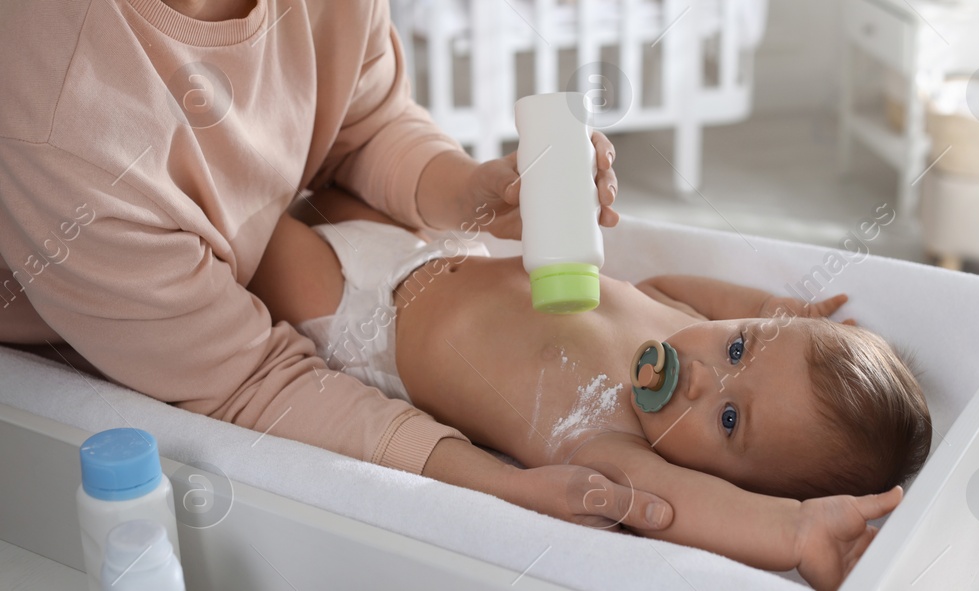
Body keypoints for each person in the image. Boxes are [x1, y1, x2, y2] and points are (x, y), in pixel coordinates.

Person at [0, 0, 665, 531]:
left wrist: (474, 195)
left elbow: (365, 121)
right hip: (112, 312)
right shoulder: (64, 121)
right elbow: (248, 378)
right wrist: (493, 484)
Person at [247, 188, 932, 588]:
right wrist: (791, 312)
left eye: (728, 419)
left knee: (252, 220)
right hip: (445, 247)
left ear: (736, 479)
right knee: (332, 175)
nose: (700, 375)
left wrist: (796, 531)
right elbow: (686, 294)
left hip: (366, 317)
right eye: (737, 347)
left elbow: (685, 507)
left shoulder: (617, 446)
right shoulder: (684, 322)